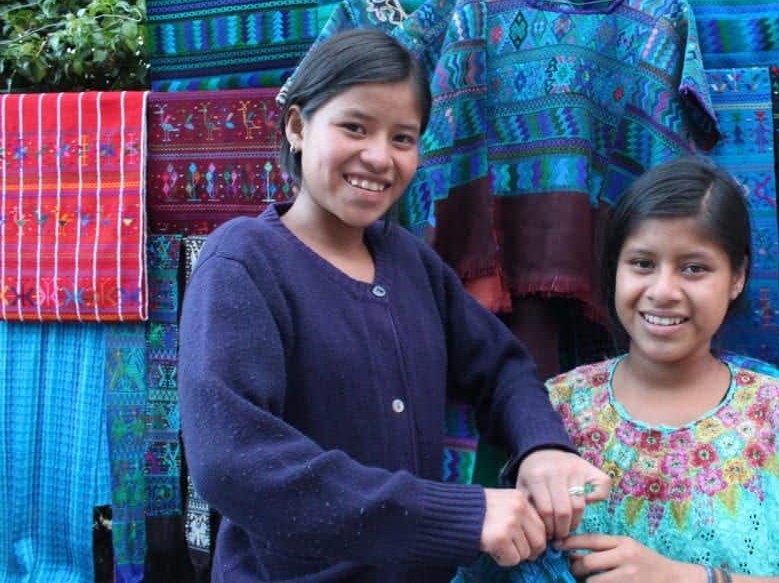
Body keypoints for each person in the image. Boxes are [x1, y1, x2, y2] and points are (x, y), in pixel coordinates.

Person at [177, 28, 610, 582]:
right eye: (355, 127)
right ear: (298, 126)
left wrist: (540, 447)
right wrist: (458, 514)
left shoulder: (410, 263)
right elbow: (233, 460)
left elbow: (501, 366)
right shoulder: (244, 262)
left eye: (403, 138)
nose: (379, 157)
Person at [546, 156, 779, 582]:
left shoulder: (778, 415)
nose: (662, 291)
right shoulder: (557, 409)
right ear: (614, 270)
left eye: (694, 268)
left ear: (737, 277)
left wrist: (684, 578)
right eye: (642, 263)